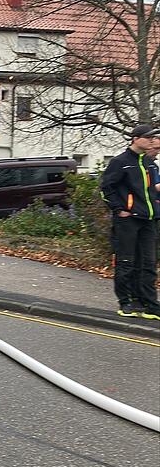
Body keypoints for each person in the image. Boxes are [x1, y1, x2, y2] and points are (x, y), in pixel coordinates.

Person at [100, 124, 160, 321]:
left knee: (148, 264)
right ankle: (126, 302)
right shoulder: (120, 162)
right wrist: (119, 209)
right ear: (135, 139)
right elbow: (106, 188)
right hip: (128, 221)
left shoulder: (150, 164)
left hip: (148, 220)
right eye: (148, 137)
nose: (152, 141)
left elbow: (151, 192)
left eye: (153, 138)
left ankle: (149, 304)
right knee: (127, 262)